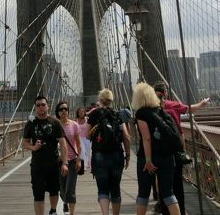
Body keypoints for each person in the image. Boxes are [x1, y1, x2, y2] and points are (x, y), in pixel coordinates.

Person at [154, 81, 210, 215]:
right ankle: (180, 212)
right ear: (166, 93)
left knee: (162, 181)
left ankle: (164, 208)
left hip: (159, 150)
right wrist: (202, 103)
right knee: (177, 184)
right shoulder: (173, 105)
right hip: (176, 149)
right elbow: (191, 109)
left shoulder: (150, 108)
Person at [132, 82, 181, 215]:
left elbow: (146, 138)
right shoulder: (162, 111)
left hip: (148, 159)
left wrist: (148, 160)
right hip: (167, 157)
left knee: (143, 193)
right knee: (169, 194)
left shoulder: (141, 113)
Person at [86, 88, 131, 215]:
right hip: (117, 155)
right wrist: (127, 156)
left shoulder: (94, 114)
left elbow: (87, 135)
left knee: (103, 189)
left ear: (100, 100)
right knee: (115, 188)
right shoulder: (118, 114)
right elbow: (126, 137)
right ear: (111, 100)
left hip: (99, 155)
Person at [23, 95, 70, 215]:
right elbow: (25, 143)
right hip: (37, 164)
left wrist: (65, 163)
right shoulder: (31, 123)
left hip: (53, 163)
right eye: (38, 105)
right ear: (35, 108)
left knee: (54, 190)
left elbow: (63, 144)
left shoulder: (55, 122)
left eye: (43, 104)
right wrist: (34, 147)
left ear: (48, 106)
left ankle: (53, 210)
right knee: (38, 194)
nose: (41, 107)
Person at [56, 101, 81, 215]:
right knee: (62, 188)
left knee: (70, 189)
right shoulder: (55, 125)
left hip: (72, 161)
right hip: (60, 161)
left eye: (66, 109)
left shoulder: (74, 125)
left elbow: (79, 144)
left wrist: (79, 159)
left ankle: (72, 213)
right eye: (61, 109)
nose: (64, 111)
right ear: (58, 112)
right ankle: (64, 202)